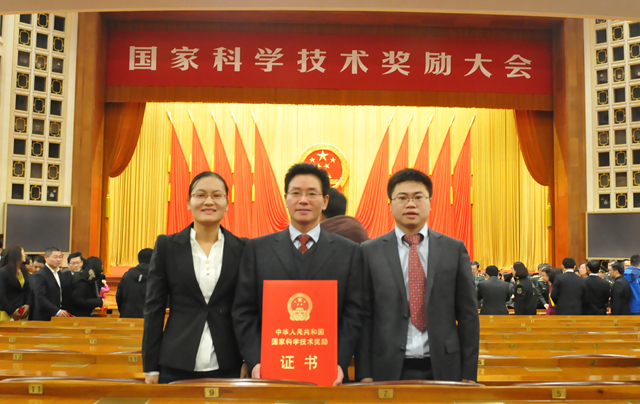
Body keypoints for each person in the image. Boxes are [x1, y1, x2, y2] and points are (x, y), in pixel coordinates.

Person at [233, 163, 362, 386]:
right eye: (296, 193)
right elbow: (244, 311)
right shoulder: (257, 250)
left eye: (312, 193)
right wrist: (255, 361)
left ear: (325, 201)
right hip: (270, 372)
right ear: (285, 198)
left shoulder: (348, 252)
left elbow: (354, 312)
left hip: (330, 374)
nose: (303, 200)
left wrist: (339, 362)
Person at [355, 168, 478, 383]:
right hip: (386, 365)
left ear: (430, 203)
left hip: (445, 366)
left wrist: (468, 373)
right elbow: (364, 316)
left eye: (418, 197)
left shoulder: (453, 249)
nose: (410, 204)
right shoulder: (369, 251)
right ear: (390, 204)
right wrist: (364, 373)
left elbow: (468, 315)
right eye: (402, 198)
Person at [144, 172, 248, 384]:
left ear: (227, 204)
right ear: (189, 203)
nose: (209, 201)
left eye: (217, 195)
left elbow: (248, 309)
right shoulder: (167, 246)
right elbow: (154, 308)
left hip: (230, 362)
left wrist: (249, 359)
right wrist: (151, 367)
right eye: (200, 195)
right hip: (176, 361)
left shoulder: (243, 248)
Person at [31, 247, 72, 320]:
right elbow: (40, 297)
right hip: (44, 316)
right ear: (46, 258)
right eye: (55, 257)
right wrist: (57, 311)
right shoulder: (40, 274)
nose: (58, 260)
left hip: (60, 316)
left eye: (60, 257)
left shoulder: (60, 273)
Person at [116, 248, 153, 318]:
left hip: (127, 315)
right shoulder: (157, 278)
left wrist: (124, 311)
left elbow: (119, 296)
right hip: (151, 318)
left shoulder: (127, 275)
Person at [0, 245, 31, 321]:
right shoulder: (3, 272)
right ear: (16, 255)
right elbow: (1, 295)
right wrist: (11, 311)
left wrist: (28, 304)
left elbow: (28, 290)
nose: (25, 255)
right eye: (23, 252)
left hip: (22, 313)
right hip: (8, 313)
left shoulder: (23, 270)